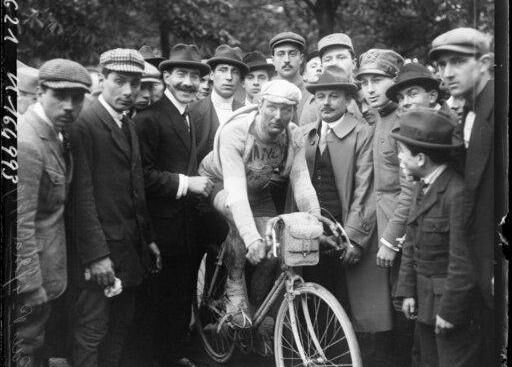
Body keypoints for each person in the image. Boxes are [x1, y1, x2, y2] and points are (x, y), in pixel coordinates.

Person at [198, 79, 320, 328]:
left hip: (257, 188)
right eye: (272, 107)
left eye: (286, 109)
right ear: (259, 104)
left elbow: (302, 182)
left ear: (293, 111)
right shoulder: (237, 132)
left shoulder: (293, 135)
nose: (278, 115)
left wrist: (316, 220)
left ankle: (258, 310)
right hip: (220, 183)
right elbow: (236, 194)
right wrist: (252, 238)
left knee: (275, 244)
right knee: (239, 221)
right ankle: (234, 289)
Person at [68, 48, 161, 367]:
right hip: (102, 257)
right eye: (119, 81)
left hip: (128, 250)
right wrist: (97, 256)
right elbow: (82, 197)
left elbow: (133, 189)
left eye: (134, 83)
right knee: (92, 333)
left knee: (119, 330)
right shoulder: (85, 124)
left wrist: (146, 238)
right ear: (101, 78)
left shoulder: (126, 123)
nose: (127, 91)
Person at [299, 67, 393, 366]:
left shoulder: (362, 133)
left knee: (352, 308)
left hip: (346, 236)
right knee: (313, 302)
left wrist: (354, 238)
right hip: (313, 234)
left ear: (348, 99)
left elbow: (366, 190)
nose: (325, 102)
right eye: (320, 96)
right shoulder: (306, 135)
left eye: (334, 96)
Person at [429, 27, 505, 365]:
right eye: (443, 64)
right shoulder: (471, 111)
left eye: (458, 61)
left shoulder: (499, 110)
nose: (447, 73)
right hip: (480, 271)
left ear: (486, 62)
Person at [133, 43, 212, 367]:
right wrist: (186, 183)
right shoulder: (149, 120)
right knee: (157, 306)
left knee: (179, 300)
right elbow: (142, 177)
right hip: (160, 232)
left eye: (194, 76)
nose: (188, 83)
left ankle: (173, 356)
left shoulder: (187, 116)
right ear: (166, 76)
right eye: (181, 74)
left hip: (184, 231)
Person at [16, 58, 91, 367]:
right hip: (31, 278)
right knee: (23, 344)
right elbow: (19, 223)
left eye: (77, 97)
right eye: (60, 96)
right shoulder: (27, 142)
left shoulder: (58, 134)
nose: (70, 106)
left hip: (51, 269)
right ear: (39, 92)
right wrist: (30, 284)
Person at [393, 108, 480, 367]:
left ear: (420, 158)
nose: (399, 158)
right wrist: (408, 291)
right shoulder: (422, 185)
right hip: (425, 304)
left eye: (402, 153)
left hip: (448, 309)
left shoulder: (456, 194)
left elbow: (461, 261)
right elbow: (411, 244)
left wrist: (451, 311)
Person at [356, 48, 415, 367]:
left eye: (377, 80)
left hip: (403, 233)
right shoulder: (377, 118)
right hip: (380, 229)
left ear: (395, 81)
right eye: (364, 82)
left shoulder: (403, 121)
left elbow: (410, 189)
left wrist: (392, 240)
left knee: (406, 309)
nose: (370, 88)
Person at [191, 44, 248, 162]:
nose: (229, 77)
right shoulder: (192, 111)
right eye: (223, 70)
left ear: (240, 78)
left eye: (235, 72)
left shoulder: (247, 113)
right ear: (212, 75)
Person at [300, 33, 362, 126]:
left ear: (353, 63)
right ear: (322, 67)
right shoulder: (315, 104)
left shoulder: (367, 94)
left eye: (341, 57)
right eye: (328, 59)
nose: (334, 63)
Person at [269, 31, 309, 120]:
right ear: (273, 60)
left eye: (292, 54)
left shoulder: (313, 94)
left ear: (301, 59)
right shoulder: (263, 95)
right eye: (281, 54)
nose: (286, 60)